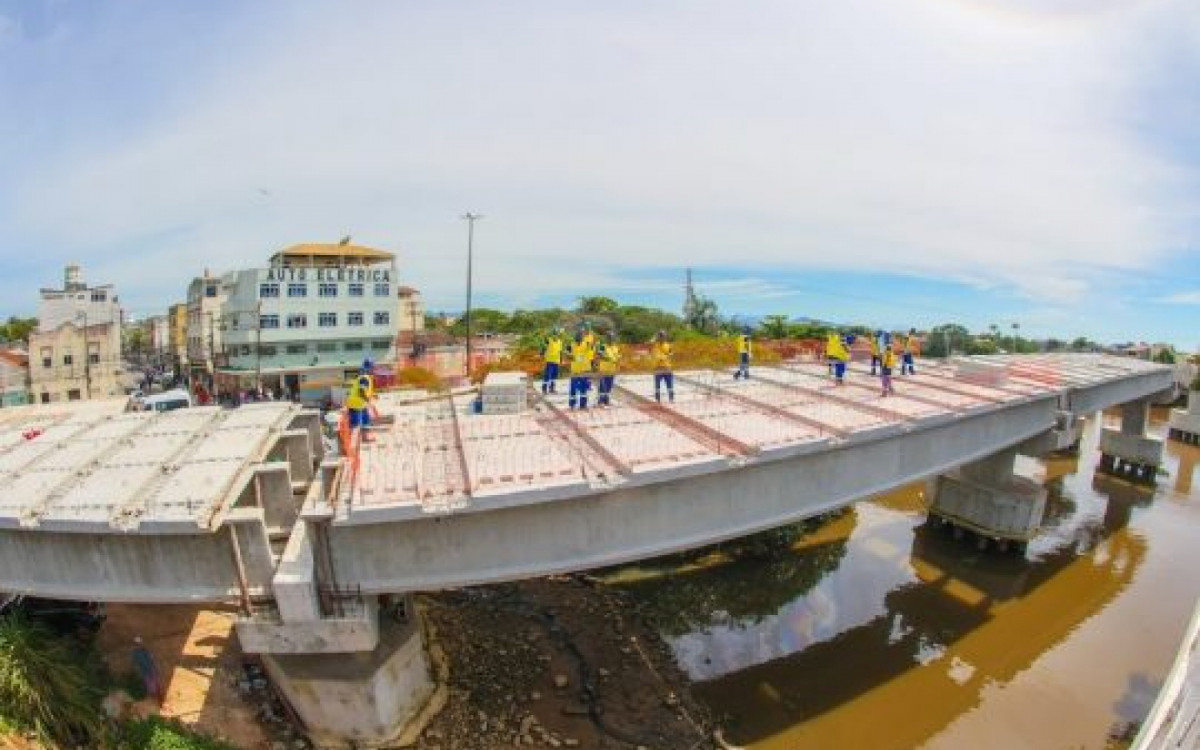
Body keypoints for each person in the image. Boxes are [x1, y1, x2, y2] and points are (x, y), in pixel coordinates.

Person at [345, 358, 377, 441]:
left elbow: (364, 391)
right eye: (373, 368)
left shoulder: (364, 377)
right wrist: (368, 400)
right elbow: (361, 391)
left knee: (366, 420)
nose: (374, 369)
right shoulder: (364, 378)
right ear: (370, 368)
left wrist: (372, 395)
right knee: (356, 425)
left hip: (360, 403)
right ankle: (353, 444)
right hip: (356, 404)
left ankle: (365, 437)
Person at [566, 331, 595, 410]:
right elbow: (566, 352)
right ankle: (572, 404)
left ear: (582, 338)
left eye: (580, 337)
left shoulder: (586, 344)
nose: (578, 338)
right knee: (573, 388)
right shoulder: (571, 345)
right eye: (577, 337)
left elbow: (593, 346)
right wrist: (569, 356)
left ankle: (583, 404)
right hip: (575, 370)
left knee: (584, 388)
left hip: (584, 370)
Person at [131, 636, 164, 702]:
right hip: (145, 671)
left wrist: (154, 668)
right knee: (152, 687)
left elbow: (151, 659)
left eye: (139, 643)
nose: (139, 644)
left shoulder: (144, 650)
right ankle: (156, 698)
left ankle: (160, 698)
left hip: (151, 669)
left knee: (157, 685)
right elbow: (135, 663)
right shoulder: (135, 653)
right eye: (137, 643)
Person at [595, 331, 621, 406]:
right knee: (603, 385)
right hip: (604, 369)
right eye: (609, 337)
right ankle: (600, 401)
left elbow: (617, 356)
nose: (611, 339)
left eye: (612, 337)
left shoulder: (615, 347)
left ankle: (606, 400)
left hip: (612, 369)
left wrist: (618, 359)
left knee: (609, 385)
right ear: (607, 338)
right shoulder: (603, 346)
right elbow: (599, 354)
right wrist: (607, 358)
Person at [540, 327, 565, 394]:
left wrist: (561, 360)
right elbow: (544, 346)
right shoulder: (549, 340)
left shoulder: (560, 342)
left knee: (554, 376)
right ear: (552, 335)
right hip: (549, 362)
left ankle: (552, 388)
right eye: (554, 334)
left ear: (558, 335)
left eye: (556, 334)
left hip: (556, 362)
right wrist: (541, 353)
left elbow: (560, 352)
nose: (555, 336)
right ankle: (544, 389)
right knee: (547, 375)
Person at [652, 330, 674, 403]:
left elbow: (672, 354)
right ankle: (657, 400)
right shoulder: (655, 344)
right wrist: (654, 337)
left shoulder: (668, 345)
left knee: (669, 385)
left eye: (663, 336)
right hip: (658, 368)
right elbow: (648, 344)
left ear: (665, 337)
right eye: (660, 336)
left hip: (667, 368)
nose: (662, 337)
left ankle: (671, 399)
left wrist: (667, 356)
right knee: (657, 386)